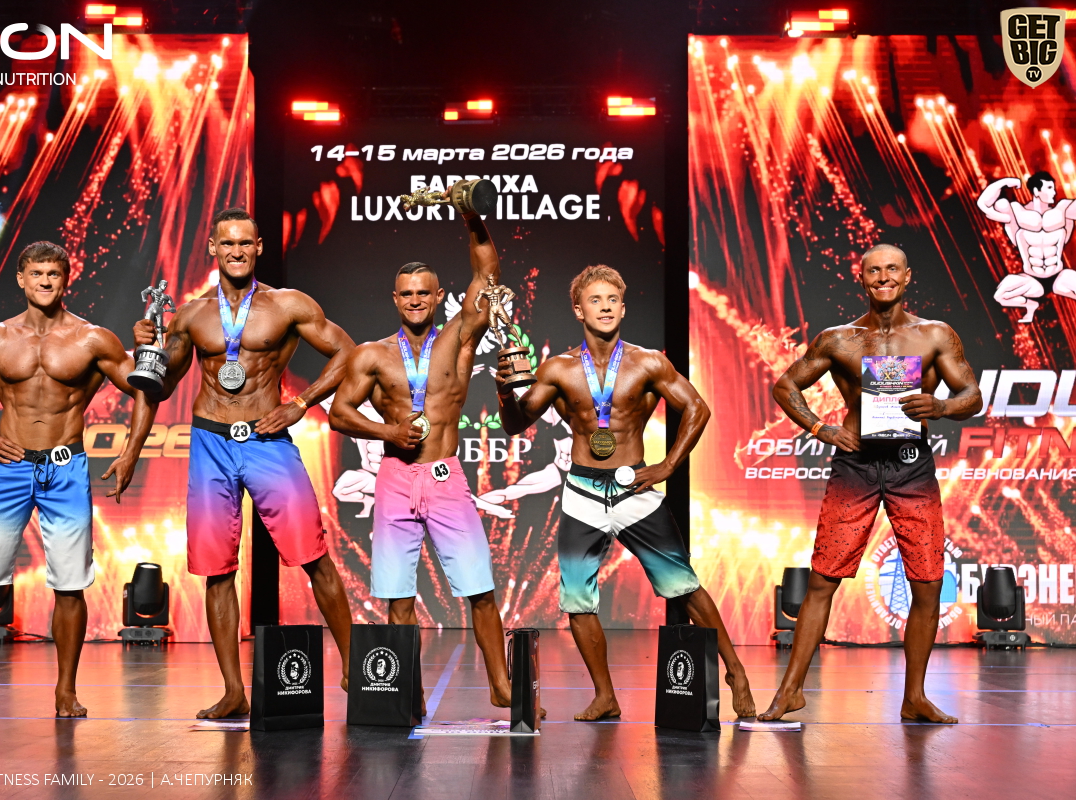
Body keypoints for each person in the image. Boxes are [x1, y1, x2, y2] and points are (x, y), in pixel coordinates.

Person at [496, 264, 755, 721]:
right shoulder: (558, 369)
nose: (605, 308)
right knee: (577, 599)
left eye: (612, 300)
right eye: (595, 300)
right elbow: (518, 423)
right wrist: (503, 395)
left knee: (682, 585)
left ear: (623, 307)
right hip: (582, 491)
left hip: (634, 486)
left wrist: (668, 466)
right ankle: (605, 695)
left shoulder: (648, 362)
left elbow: (697, 408)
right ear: (579, 310)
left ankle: (736, 671)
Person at [133, 208, 355, 719]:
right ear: (213, 247)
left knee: (314, 556)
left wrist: (301, 404)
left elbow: (348, 353)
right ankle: (234, 691)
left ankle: (352, 667)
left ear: (258, 247)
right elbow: (161, 386)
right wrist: (147, 351)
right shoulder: (191, 315)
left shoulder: (288, 305)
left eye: (244, 243)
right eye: (227, 243)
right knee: (216, 571)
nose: (236, 251)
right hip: (210, 441)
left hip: (267, 439)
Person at [0, 241, 157, 717]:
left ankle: (65, 690)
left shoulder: (93, 339)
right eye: (37, 273)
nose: (46, 282)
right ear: (21, 279)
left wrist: (131, 450)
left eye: (54, 274)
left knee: (70, 584)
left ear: (66, 279)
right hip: (9, 467)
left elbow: (147, 389)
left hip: (66, 468)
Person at [758, 243, 982, 724]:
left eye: (892, 269)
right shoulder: (838, 339)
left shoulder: (935, 334)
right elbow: (785, 385)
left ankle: (914, 697)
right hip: (855, 465)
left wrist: (941, 406)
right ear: (862, 278)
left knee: (928, 583)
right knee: (823, 580)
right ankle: (789, 692)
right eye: (874, 270)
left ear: (907, 276)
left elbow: (972, 394)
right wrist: (821, 428)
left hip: (910, 465)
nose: (884, 277)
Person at [329, 198, 520, 713]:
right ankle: (404, 694)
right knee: (397, 595)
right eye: (407, 294)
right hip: (395, 477)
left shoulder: (460, 337)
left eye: (424, 293)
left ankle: (501, 686)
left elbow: (487, 273)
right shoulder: (372, 354)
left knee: (479, 587)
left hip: (443, 475)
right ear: (396, 298)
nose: (416, 301)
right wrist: (387, 430)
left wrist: (471, 216)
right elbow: (339, 413)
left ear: (439, 296)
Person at [977, 171, 1076, 323]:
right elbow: (984, 205)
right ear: (1036, 191)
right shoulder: (1016, 212)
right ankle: (1031, 305)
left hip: (1058, 275)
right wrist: (1003, 182)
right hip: (1032, 279)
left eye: (1054, 188)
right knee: (1000, 296)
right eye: (1049, 188)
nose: (1054, 192)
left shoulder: (1063, 209)